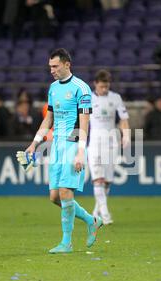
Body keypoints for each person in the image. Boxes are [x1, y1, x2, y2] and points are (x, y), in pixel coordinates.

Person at [23, 48, 103, 254]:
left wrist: (80, 152)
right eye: (50, 67)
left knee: (66, 192)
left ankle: (66, 243)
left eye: (55, 66)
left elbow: (84, 124)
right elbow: (49, 119)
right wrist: (35, 143)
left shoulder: (81, 88)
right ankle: (91, 220)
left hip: (73, 142)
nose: (52, 70)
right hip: (57, 144)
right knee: (54, 197)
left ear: (67, 65)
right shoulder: (53, 88)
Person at [88, 69, 130, 225]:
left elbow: (124, 119)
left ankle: (96, 211)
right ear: (95, 84)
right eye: (101, 87)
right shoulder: (88, 99)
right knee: (98, 178)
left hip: (111, 142)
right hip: (95, 143)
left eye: (106, 86)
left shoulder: (116, 98)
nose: (104, 89)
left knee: (107, 181)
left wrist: (126, 135)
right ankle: (105, 215)